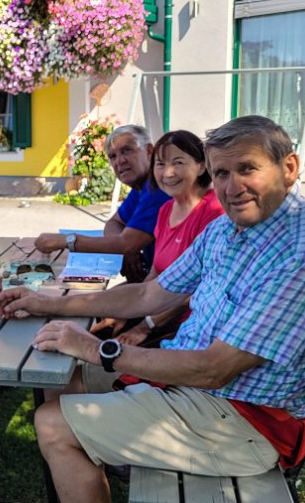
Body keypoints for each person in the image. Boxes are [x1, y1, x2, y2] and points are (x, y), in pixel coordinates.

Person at [0, 115, 305, 503]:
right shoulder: (231, 229)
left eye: (247, 169)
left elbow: (214, 370)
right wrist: (49, 302)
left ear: (289, 168)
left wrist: (101, 349)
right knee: (62, 376)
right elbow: (150, 293)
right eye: (222, 173)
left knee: (53, 423)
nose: (231, 186)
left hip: (244, 422)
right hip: (201, 393)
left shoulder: (303, 256)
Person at [85, 129, 224, 370]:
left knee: (91, 358)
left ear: (202, 166)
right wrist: (127, 312)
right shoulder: (166, 209)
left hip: (186, 326)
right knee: (86, 328)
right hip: (158, 311)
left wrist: (144, 326)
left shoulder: (213, 213)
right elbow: (154, 275)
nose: (168, 173)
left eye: (178, 163)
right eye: (161, 164)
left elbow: (194, 291)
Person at [34, 124, 170, 282]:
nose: (120, 161)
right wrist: (126, 250)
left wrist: (66, 240)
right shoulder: (141, 187)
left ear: (149, 151)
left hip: (170, 288)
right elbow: (114, 223)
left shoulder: (158, 188)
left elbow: (127, 243)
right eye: (113, 156)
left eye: (127, 150)